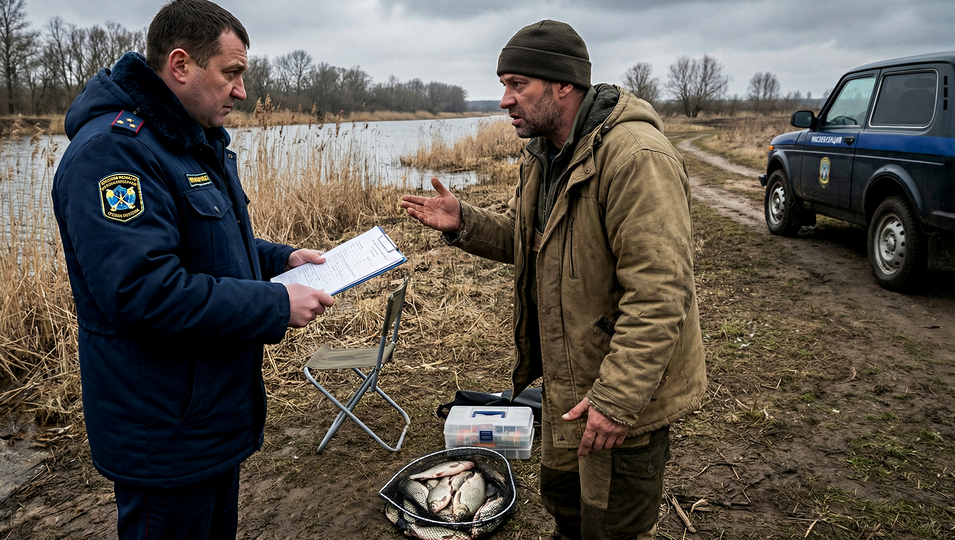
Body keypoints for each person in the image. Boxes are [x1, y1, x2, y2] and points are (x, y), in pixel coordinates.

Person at [400, 20, 707, 540]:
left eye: (518, 84)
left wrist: (617, 399)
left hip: (623, 390)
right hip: (567, 383)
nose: (504, 100)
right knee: (567, 508)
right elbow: (532, 242)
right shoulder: (544, 156)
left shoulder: (636, 158)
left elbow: (659, 293)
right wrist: (464, 222)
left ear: (564, 84)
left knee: (613, 526)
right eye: (504, 84)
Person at [50, 1, 334, 538]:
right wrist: (276, 303)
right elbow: (144, 291)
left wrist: (280, 260)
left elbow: (207, 245)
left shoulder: (185, 140)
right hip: (163, 430)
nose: (241, 91)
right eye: (231, 73)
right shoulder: (115, 153)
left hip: (208, 418)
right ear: (180, 65)